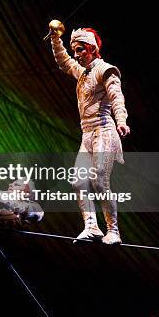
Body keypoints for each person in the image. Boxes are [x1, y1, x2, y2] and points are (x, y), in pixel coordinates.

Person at [50, 25, 130, 245]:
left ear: (92, 49)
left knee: (99, 181)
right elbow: (64, 62)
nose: (76, 55)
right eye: (75, 50)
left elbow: (116, 97)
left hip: (104, 130)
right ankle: (92, 227)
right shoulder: (83, 74)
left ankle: (113, 231)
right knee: (78, 182)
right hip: (87, 134)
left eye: (80, 50)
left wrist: (121, 121)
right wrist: (56, 39)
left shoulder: (105, 70)